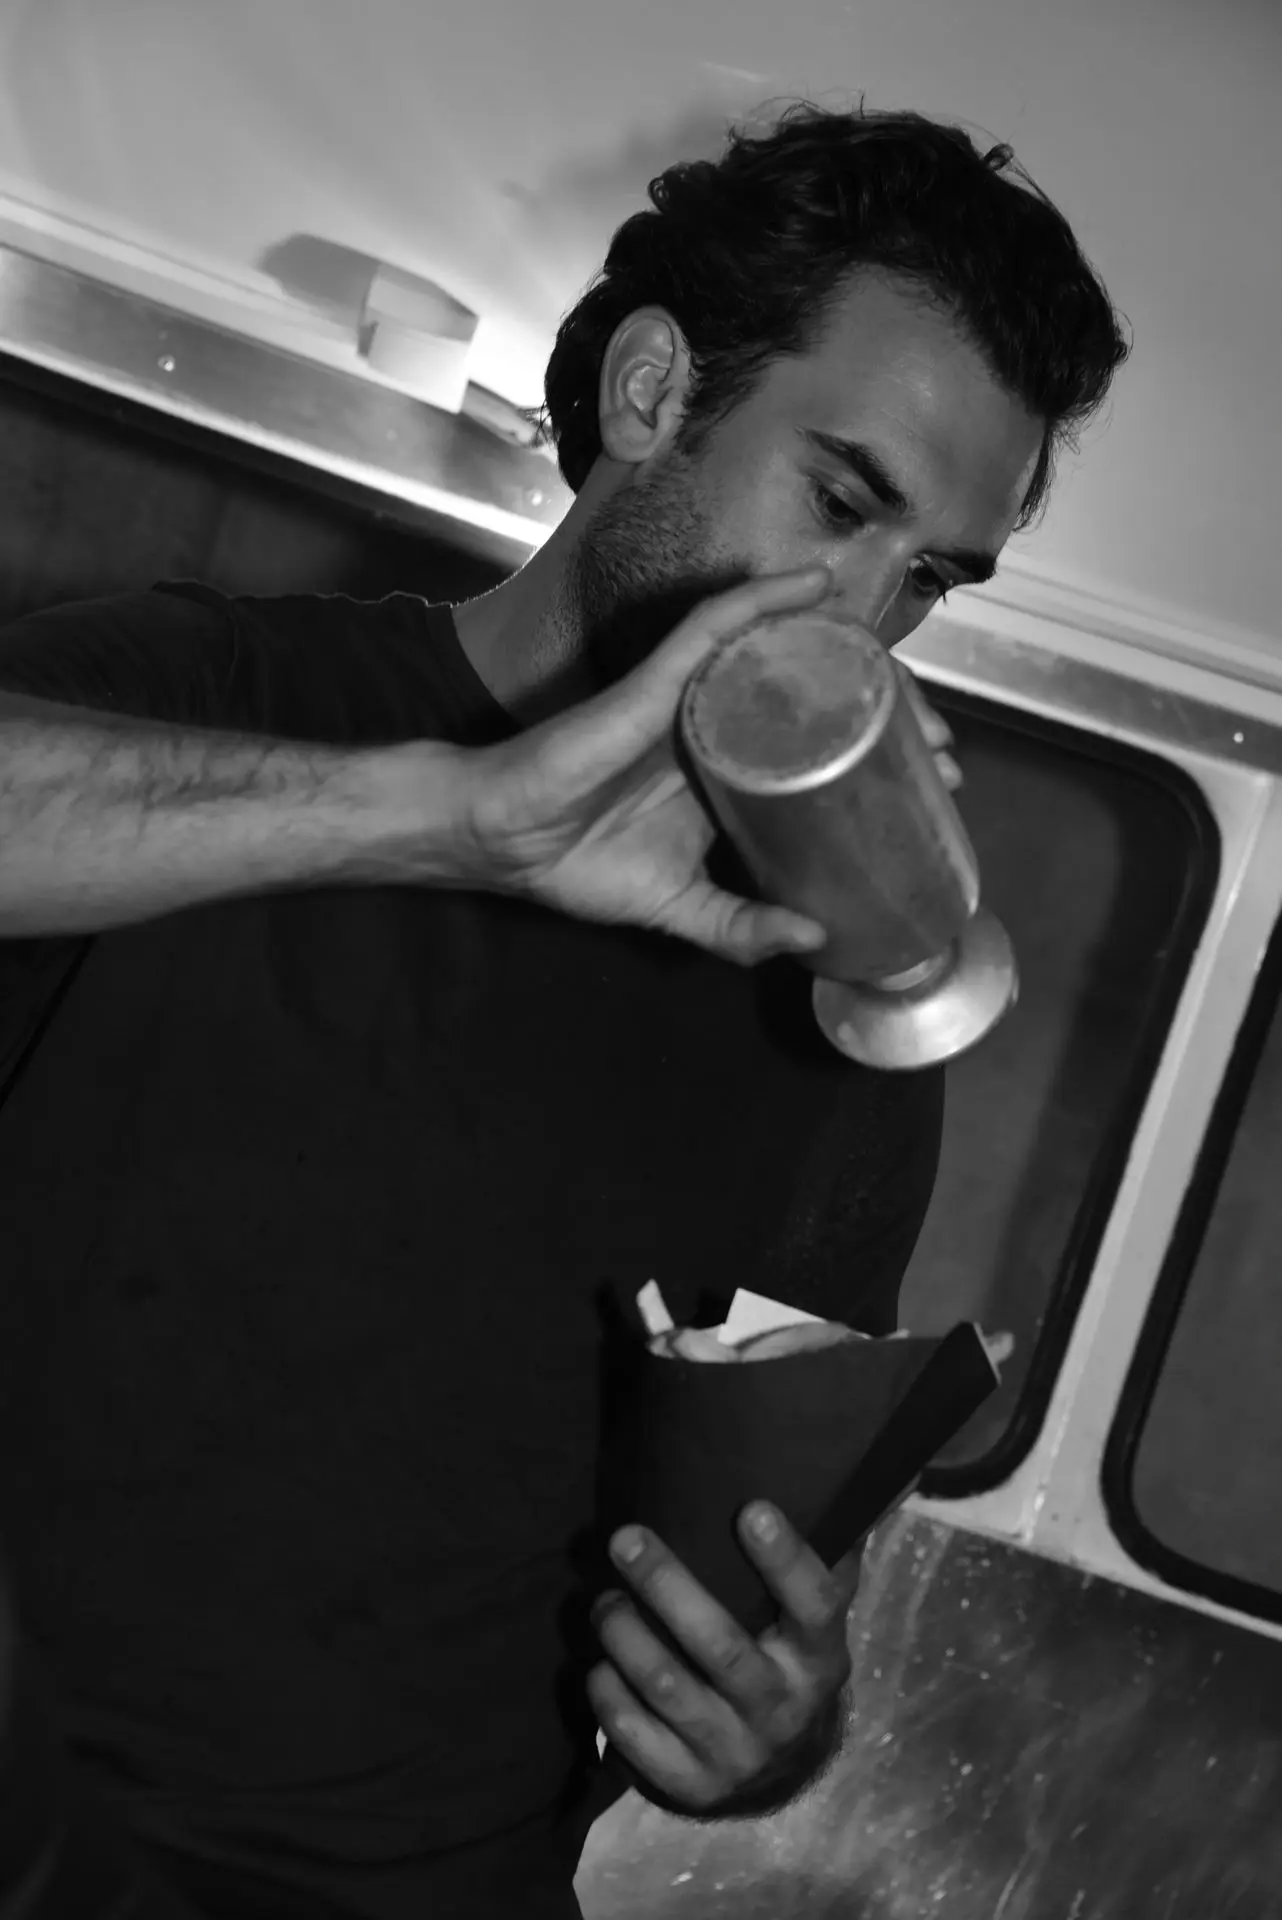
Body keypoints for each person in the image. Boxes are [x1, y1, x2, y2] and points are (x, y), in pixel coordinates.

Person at [0, 99, 1128, 1918]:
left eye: (926, 577)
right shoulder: (214, 689)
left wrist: (773, 1727)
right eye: (841, 506)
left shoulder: (828, 1005)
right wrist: (450, 821)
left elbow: (757, 1530)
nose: (860, 616)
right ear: (653, 394)